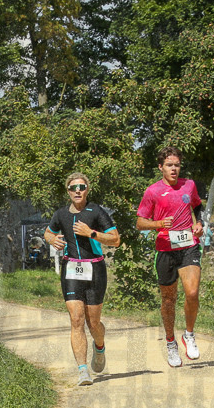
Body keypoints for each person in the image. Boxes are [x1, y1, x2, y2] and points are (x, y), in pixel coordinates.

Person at [44, 173, 121, 386]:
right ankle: (83, 370)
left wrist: (91, 233)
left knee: (93, 322)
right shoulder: (60, 214)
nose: (77, 191)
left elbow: (115, 239)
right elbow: (48, 233)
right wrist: (52, 240)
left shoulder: (96, 211)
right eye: (73, 188)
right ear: (68, 191)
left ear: (87, 189)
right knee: (76, 319)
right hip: (71, 269)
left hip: (95, 269)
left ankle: (100, 346)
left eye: (81, 187)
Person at [136, 146, 204, 368]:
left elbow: (197, 205)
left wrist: (199, 223)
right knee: (168, 300)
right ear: (160, 167)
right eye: (169, 165)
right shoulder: (152, 191)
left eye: (177, 165)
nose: (174, 169)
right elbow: (140, 222)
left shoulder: (189, 185)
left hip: (188, 246)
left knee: (192, 292)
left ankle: (189, 334)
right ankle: (170, 342)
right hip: (165, 248)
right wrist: (157, 223)